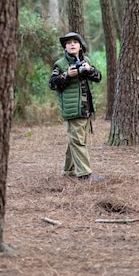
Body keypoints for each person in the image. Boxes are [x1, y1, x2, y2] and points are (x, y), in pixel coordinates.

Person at [49, 32, 104, 180]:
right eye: (68, 43)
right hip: (73, 109)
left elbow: (98, 77)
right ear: (65, 47)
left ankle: (68, 171)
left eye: (75, 42)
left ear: (80, 46)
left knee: (75, 140)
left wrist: (89, 69)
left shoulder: (86, 60)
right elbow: (52, 84)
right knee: (78, 141)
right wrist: (67, 75)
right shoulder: (60, 64)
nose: (72, 44)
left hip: (85, 108)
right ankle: (85, 174)